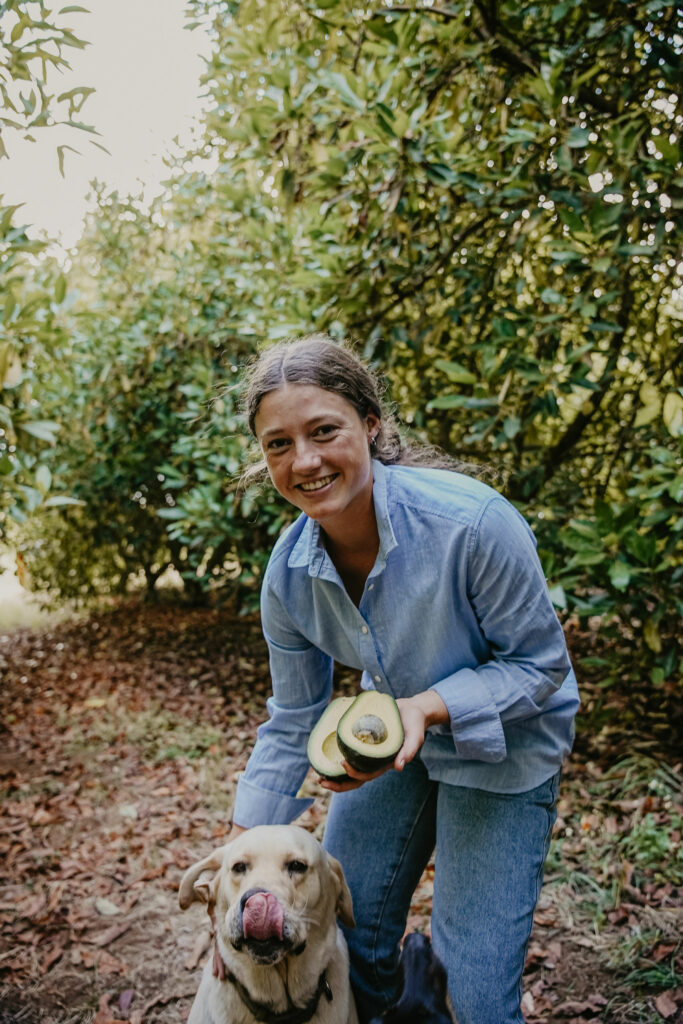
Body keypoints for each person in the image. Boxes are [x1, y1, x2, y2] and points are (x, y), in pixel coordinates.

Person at [225, 334, 579, 1024]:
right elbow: (294, 716)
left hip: (504, 747)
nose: (304, 460)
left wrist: (427, 706)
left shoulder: (471, 524)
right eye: (277, 444)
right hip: (386, 749)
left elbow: (541, 667)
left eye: (324, 430)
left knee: (472, 997)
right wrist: (235, 870)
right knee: (348, 944)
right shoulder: (288, 576)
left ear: (370, 425)